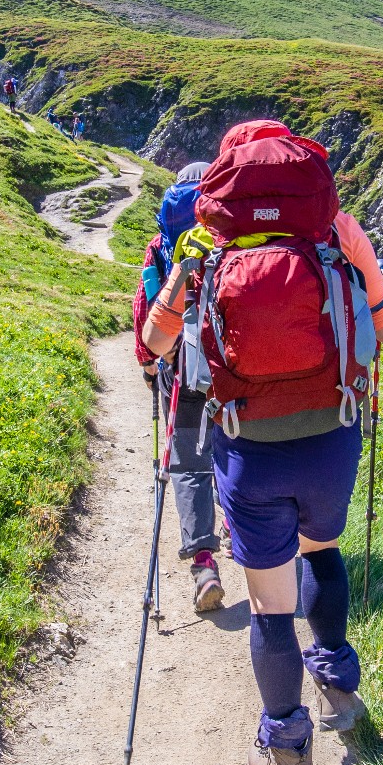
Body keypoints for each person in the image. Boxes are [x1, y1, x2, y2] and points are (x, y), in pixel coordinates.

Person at [142, 120, 383, 765]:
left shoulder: (209, 244)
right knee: (322, 550)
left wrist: (182, 271)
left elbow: (154, 340)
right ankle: (339, 688)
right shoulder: (333, 235)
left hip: (248, 446)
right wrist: (367, 262)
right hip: (332, 438)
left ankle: (289, 756)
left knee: (268, 602)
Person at [133, 162, 224, 612]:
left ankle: (204, 565)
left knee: (188, 460)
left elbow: (144, 307)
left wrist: (150, 363)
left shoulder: (160, 245)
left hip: (181, 362)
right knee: (230, 443)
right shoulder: (227, 227)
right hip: (226, 364)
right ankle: (238, 521)